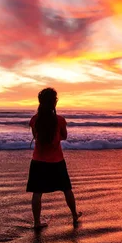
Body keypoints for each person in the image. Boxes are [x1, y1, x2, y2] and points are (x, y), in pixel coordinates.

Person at [26, 88, 81, 229]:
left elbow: (35, 136)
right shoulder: (60, 120)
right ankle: (74, 215)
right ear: (54, 102)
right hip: (57, 161)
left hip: (38, 161)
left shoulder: (34, 120)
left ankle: (37, 223)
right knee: (67, 189)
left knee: (37, 192)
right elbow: (64, 136)